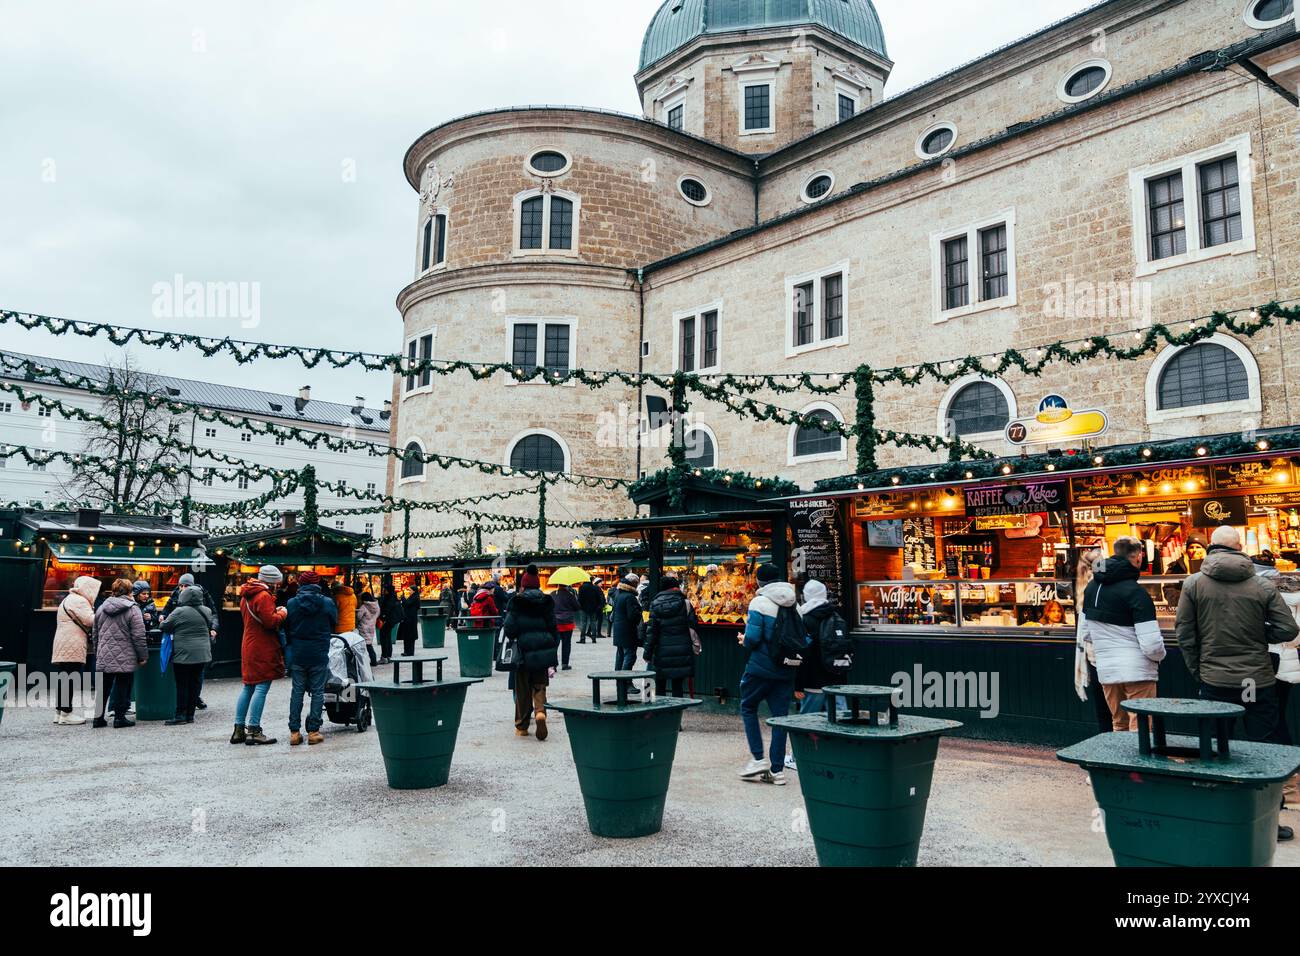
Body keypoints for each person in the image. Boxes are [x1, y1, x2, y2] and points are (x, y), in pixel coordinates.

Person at [1177, 525, 1299, 841]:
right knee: (1264, 750)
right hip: (1255, 680)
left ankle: (1217, 820)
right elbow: (1287, 629)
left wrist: (1199, 672)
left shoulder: (1193, 584)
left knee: (1217, 748)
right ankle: (1269, 823)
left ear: (1210, 548)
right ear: (1240, 546)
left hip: (1215, 680)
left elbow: (1185, 636)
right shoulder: (1261, 585)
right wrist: (1260, 635)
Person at [1078, 537, 1165, 731]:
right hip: (1138, 671)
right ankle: (1140, 762)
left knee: (1119, 724)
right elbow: (1151, 644)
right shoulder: (1137, 593)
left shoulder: (1092, 588)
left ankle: (1120, 761)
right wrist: (1159, 657)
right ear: (1138, 557)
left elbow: (1085, 632)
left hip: (1106, 669)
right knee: (1141, 726)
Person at [736, 564, 801, 786]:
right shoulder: (795, 604)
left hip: (761, 667)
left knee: (748, 706)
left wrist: (744, 640)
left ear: (759, 581)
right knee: (780, 717)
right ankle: (777, 770)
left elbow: (753, 639)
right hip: (786, 668)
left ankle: (758, 759)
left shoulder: (759, 602)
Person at [234, 566, 287, 745]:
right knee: (261, 687)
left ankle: (238, 730)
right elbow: (270, 622)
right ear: (271, 581)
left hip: (247, 643)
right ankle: (254, 730)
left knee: (248, 686)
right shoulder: (263, 596)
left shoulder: (246, 595)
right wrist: (282, 613)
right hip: (262, 645)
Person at [285, 569, 338, 746]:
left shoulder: (291, 603)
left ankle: (294, 732)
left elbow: (287, 626)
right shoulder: (327, 602)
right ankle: (314, 731)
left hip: (298, 653)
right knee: (317, 692)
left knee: (297, 692)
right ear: (317, 584)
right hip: (319, 652)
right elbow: (334, 622)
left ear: (300, 584)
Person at [502, 585, 560, 740]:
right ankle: (540, 712)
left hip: (523, 653)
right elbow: (554, 629)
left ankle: (522, 726)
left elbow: (509, 629)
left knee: (522, 690)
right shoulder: (545, 605)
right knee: (540, 686)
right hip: (542, 652)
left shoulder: (517, 604)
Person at [93, 578, 148, 729]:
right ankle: (119, 718)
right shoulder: (133, 609)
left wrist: (98, 652)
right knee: (122, 685)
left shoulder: (101, 608)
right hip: (126, 654)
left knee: (103, 687)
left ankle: (97, 719)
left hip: (104, 654)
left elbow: (95, 633)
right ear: (130, 592)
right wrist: (142, 656)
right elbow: (139, 636)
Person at [161, 573, 219, 711]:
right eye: (180, 585)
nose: (182, 588)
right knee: (192, 678)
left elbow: (214, 615)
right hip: (192, 642)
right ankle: (190, 710)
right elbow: (166, 610)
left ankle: (186, 708)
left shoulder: (203, 595)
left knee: (190, 679)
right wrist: (163, 615)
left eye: (186, 585)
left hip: (189, 643)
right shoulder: (176, 595)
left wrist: (214, 629)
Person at [1072, 549, 1114, 734]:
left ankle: (1106, 742)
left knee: (1104, 709)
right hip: (1113, 654)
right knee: (1119, 710)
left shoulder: (1084, 591)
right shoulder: (1105, 587)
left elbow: (1086, 631)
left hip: (1094, 656)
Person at [51, 576, 100, 726]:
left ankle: (59, 712)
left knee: (64, 677)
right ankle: (66, 713)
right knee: (70, 677)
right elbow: (90, 620)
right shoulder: (79, 600)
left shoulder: (69, 598)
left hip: (64, 643)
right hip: (73, 644)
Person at [1269, 574, 1300, 805]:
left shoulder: (1271, 598)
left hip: (1268, 663)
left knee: (1272, 720)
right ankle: (1290, 786)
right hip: (1291, 663)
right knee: (1281, 719)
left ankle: (1285, 785)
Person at [644, 575, 697, 697]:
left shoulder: (655, 604)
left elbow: (651, 632)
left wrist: (647, 654)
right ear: (676, 588)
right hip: (682, 650)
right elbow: (693, 625)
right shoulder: (686, 604)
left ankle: (661, 711)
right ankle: (676, 712)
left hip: (662, 651)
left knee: (660, 684)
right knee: (677, 685)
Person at [610, 573, 642, 672]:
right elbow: (633, 616)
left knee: (620, 656)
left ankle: (619, 680)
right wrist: (640, 613)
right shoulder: (630, 597)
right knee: (629, 656)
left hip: (619, 631)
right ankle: (625, 680)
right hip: (628, 631)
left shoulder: (619, 594)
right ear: (633, 584)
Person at [552, 581, 580, 670]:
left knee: (554, 644)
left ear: (558, 585)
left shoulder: (552, 594)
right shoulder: (570, 595)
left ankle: (554, 665)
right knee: (566, 644)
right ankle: (565, 664)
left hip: (556, 623)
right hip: (567, 622)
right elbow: (577, 607)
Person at [377, 582, 402, 665]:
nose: (384, 591)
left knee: (384, 638)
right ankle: (388, 656)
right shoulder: (394, 597)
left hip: (387, 621)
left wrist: (382, 618)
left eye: (385, 589)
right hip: (391, 621)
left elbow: (386, 610)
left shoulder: (388, 599)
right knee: (387, 638)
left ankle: (384, 656)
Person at [355, 591, 380, 666]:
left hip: (363, 627)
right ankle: (373, 660)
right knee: (369, 644)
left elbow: (359, 617)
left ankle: (371, 661)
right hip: (371, 627)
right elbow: (377, 615)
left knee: (366, 645)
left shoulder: (364, 607)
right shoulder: (376, 606)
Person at [578, 577, 605, 643]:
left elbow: (579, 599)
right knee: (593, 623)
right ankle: (594, 638)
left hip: (583, 608)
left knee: (583, 623)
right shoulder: (595, 587)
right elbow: (599, 598)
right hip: (593, 608)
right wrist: (597, 606)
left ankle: (582, 639)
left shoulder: (581, 587)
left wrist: (580, 606)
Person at [399, 585, 421, 657]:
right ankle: (407, 651)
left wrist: (403, 598)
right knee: (407, 635)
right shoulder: (413, 597)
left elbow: (407, 604)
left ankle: (409, 651)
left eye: (410, 590)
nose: (409, 591)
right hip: (408, 618)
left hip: (411, 619)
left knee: (410, 636)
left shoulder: (415, 597)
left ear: (414, 591)